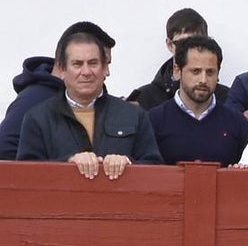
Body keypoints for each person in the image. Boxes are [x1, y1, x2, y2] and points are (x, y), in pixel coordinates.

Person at [17, 27, 162, 178]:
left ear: (105, 68)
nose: (86, 72)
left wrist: (128, 164)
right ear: (62, 69)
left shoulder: (135, 116)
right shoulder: (37, 119)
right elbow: (25, 177)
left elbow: (157, 171)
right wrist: (67, 164)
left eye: (93, 63)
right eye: (77, 64)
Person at [0, 21, 116, 160]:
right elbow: (5, 150)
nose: (107, 72)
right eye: (100, 63)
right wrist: (61, 170)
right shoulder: (34, 99)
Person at [148, 36, 248, 166]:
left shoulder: (237, 123)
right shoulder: (154, 121)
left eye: (210, 72)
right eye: (195, 71)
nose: (203, 79)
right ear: (177, 71)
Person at [127, 8, 230, 110]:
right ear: (169, 45)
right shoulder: (145, 98)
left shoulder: (227, 97)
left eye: (196, 42)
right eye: (182, 43)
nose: (189, 49)